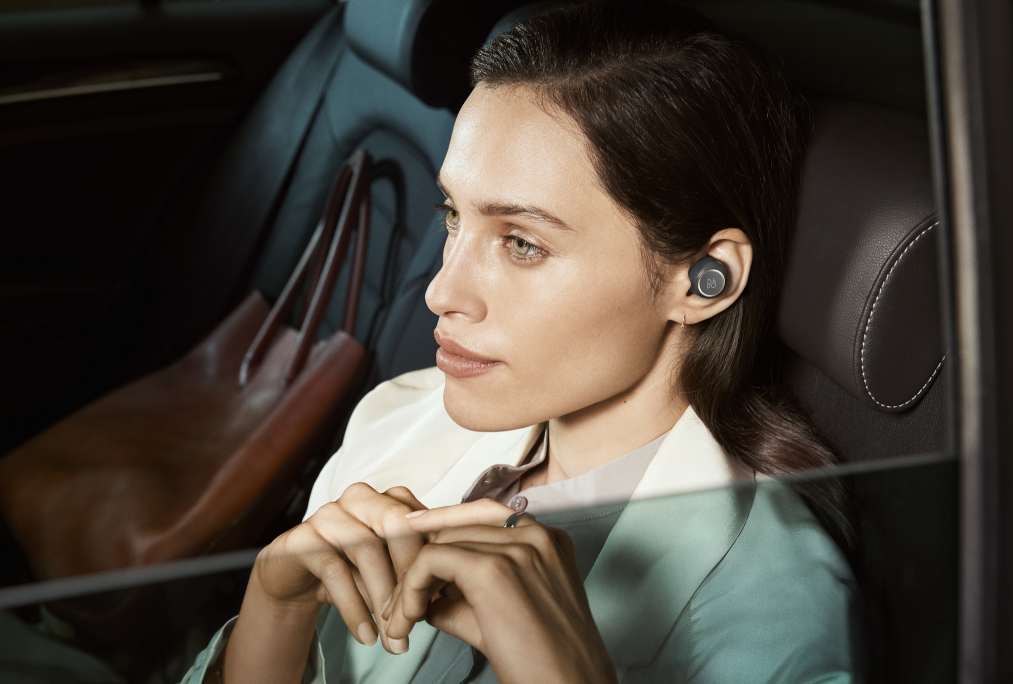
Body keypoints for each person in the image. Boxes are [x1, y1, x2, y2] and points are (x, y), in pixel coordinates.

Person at [180, 1, 862, 682]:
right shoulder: (396, 419)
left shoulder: (773, 610)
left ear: (705, 281)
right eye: (453, 215)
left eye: (523, 243)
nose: (440, 292)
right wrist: (273, 612)